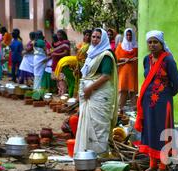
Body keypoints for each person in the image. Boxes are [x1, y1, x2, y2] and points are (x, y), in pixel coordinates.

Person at [134, 30, 178, 171]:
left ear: (161, 44)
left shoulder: (168, 60)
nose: (152, 45)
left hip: (163, 103)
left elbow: (177, 84)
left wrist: (165, 96)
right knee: (150, 131)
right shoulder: (146, 60)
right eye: (150, 42)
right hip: (148, 104)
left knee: (163, 132)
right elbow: (147, 79)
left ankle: (163, 166)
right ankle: (152, 165)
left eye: (156, 42)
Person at [74, 28, 118, 156]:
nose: (94, 39)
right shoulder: (91, 53)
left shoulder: (106, 55)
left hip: (99, 95)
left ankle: (99, 154)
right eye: (93, 36)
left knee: (99, 126)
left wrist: (89, 88)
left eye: (98, 37)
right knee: (87, 124)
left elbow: (106, 76)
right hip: (89, 95)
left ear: (103, 39)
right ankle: (86, 154)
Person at [115, 28, 138, 112]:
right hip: (123, 72)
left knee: (133, 91)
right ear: (125, 35)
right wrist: (124, 59)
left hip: (133, 72)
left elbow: (139, 57)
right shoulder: (120, 46)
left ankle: (135, 111)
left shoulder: (136, 46)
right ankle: (119, 110)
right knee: (122, 90)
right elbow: (116, 58)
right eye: (127, 35)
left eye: (130, 35)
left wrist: (134, 59)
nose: (129, 36)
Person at [51, 30, 71, 95]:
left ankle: (63, 93)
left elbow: (66, 53)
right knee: (58, 79)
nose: (58, 36)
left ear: (64, 35)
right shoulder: (59, 43)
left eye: (60, 35)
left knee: (61, 79)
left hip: (62, 64)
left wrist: (55, 55)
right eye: (57, 35)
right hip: (57, 63)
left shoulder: (65, 43)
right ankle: (60, 92)